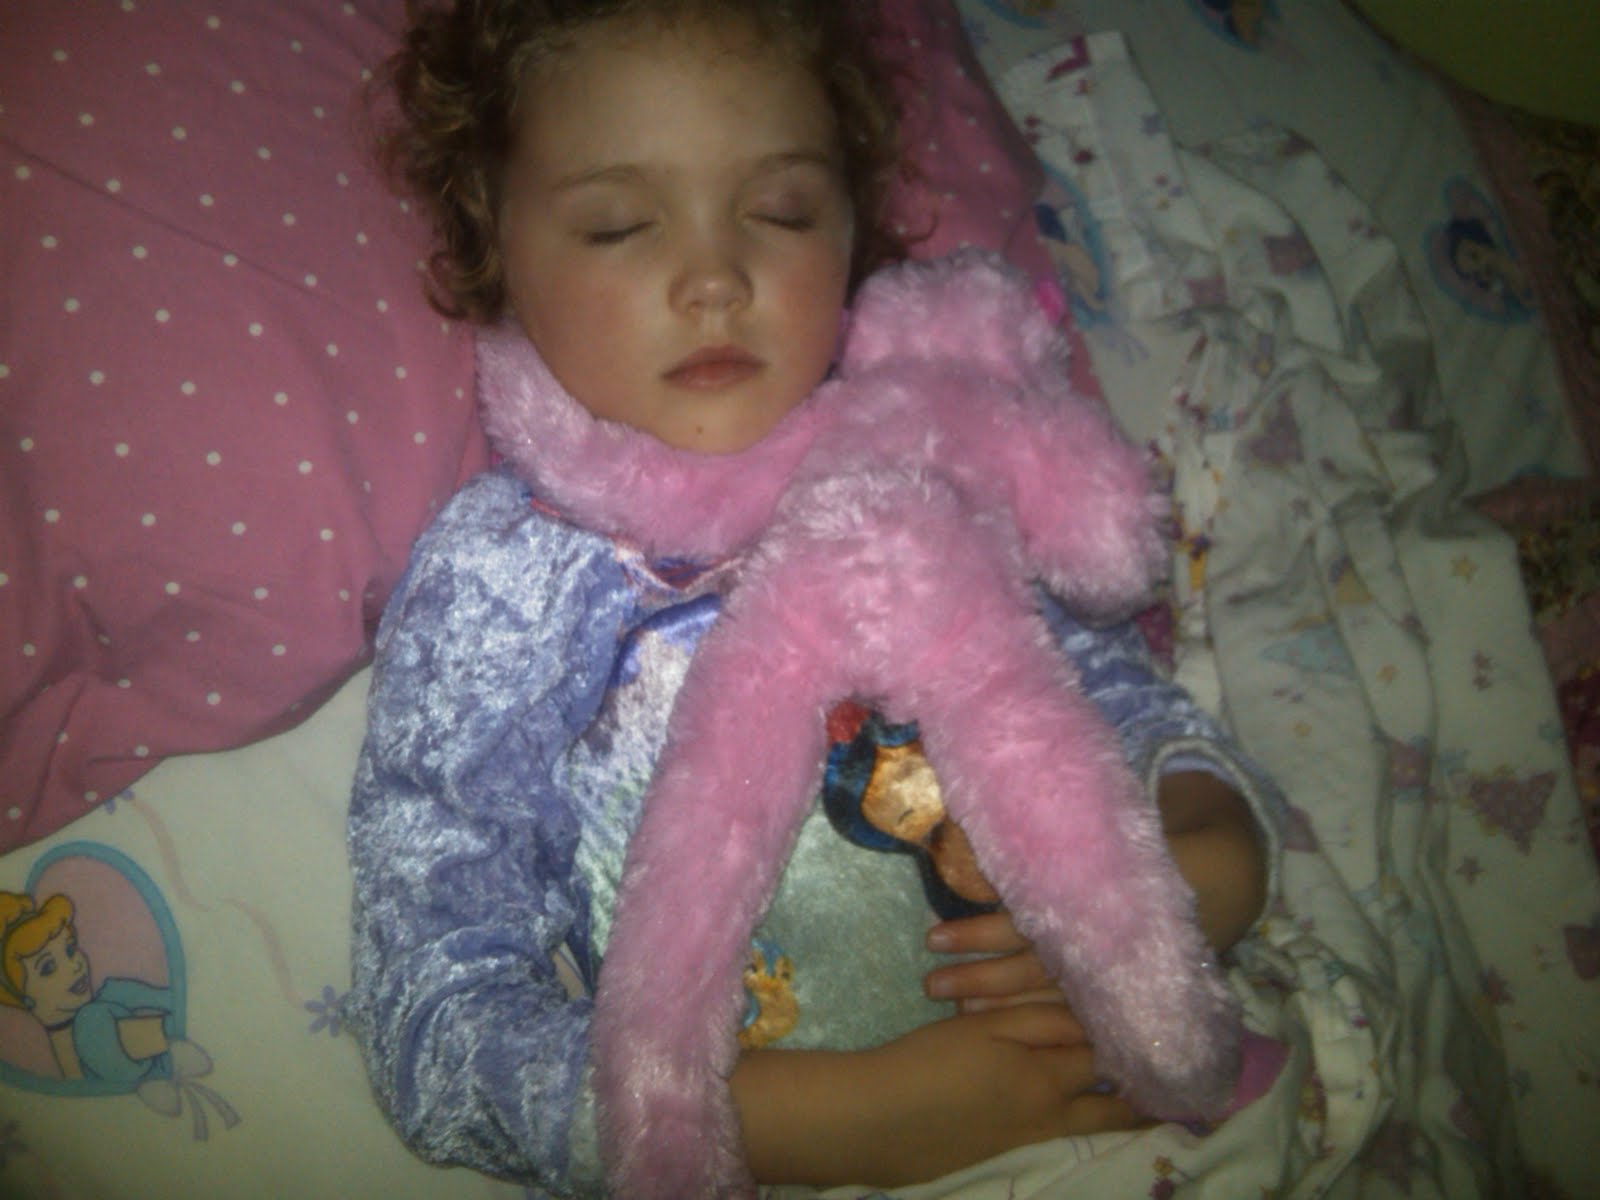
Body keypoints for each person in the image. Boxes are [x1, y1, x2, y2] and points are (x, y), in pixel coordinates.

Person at [345, 1, 1285, 1194]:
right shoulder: (500, 582)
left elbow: (1130, 706)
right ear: (497, 242)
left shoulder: (917, 461)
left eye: (781, 212)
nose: (714, 279)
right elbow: (436, 1014)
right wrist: (828, 1118)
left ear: (848, 230)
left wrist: (1211, 860)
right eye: (619, 225)